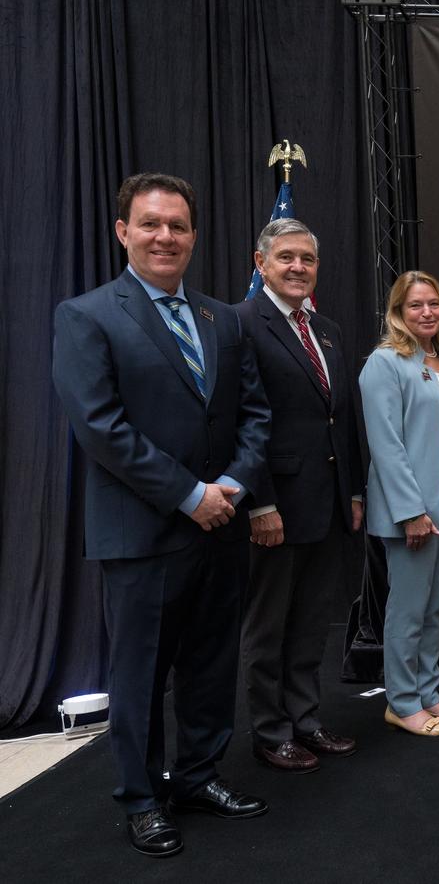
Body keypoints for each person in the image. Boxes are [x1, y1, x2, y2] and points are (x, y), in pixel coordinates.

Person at [51, 173, 271, 857]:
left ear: (194, 235)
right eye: (150, 224)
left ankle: (200, 775)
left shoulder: (223, 318)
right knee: (141, 674)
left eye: (177, 225)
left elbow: (255, 414)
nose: (165, 236)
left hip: (222, 525)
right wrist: (189, 494)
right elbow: (101, 428)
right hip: (144, 533)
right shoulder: (87, 315)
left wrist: (231, 485)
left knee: (211, 662)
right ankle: (143, 798)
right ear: (123, 231)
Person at [236, 218, 363, 772]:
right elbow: (241, 422)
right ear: (261, 263)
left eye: (307, 260)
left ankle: (306, 721)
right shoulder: (241, 324)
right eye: (286, 257)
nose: (297, 268)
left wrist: (353, 490)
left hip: (327, 504)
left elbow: (342, 419)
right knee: (270, 627)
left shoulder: (327, 329)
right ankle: (270, 732)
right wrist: (259, 502)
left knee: (313, 623)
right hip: (275, 508)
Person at [361, 271, 439, 737]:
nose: (426, 312)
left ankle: (429, 693)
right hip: (413, 498)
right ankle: (402, 701)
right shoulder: (385, 362)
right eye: (415, 306)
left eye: (433, 304)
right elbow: (386, 445)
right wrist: (412, 511)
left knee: (435, 605)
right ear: (397, 313)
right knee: (408, 607)